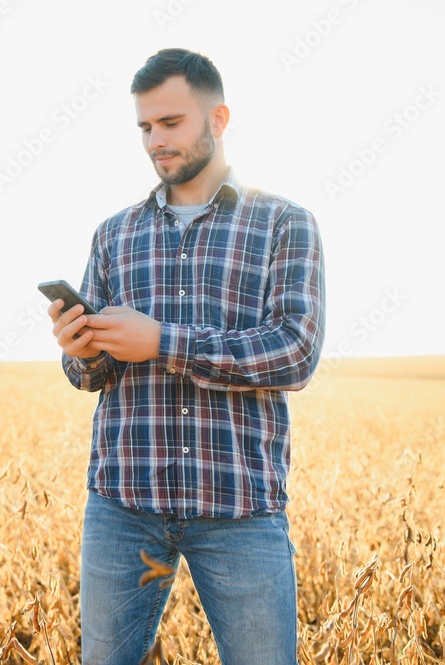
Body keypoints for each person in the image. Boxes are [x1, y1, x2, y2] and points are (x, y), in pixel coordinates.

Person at [47, 48, 325, 664]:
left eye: (170, 123)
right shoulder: (114, 234)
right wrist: (81, 351)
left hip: (239, 508)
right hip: (123, 504)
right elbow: (92, 375)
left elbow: (296, 351)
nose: (154, 141)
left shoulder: (284, 224)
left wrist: (164, 342)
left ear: (218, 118)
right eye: (145, 127)